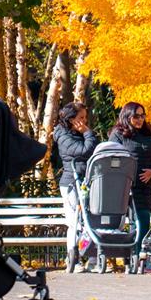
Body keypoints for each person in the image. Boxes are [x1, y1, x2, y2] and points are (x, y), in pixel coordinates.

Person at [108, 103, 151, 271]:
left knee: (142, 222)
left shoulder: (149, 135)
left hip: (143, 187)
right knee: (117, 225)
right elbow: (110, 157)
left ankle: (140, 257)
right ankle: (121, 259)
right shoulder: (118, 134)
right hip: (121, 187)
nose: (140, 119)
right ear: (127, 117)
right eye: (136, 116)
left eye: (142, 115)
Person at [54, 101, 99, 272]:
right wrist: (88, 133)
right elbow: (84, 151)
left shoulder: (79, 133)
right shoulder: (63, 136)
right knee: (75, 222)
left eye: (85, 118)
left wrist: (86, 134)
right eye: (81, 118)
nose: (84, 122)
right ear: (71, 119)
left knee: (92, 221)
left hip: (86, 181)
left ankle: (93, 259)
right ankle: (73, 259)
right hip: (71, 183)